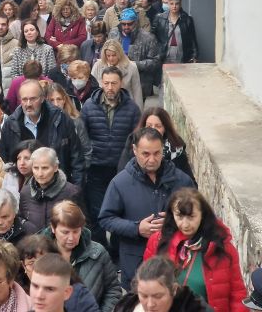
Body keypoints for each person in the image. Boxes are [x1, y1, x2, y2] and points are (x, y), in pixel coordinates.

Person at [99, 127, 195, 289]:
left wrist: (176, 222)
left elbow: (199, 216)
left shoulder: (182, 181)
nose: (151, 159)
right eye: (146, 154)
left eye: (157, 153)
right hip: (136, 266)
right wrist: (137, 228)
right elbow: (106, 219)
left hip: (176, 266)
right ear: (135, 150)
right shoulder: (119, 183)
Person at [143, 188, 246, 312]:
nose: (185, 224)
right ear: (172, 214)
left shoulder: (223, 248)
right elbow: (146, 283)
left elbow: (237, 294)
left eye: (191, 217)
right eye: (179, 217)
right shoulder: (158, 241)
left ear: (202, 215)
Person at [80, 65, 141, 245]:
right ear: (101, 83)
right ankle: (101, 251)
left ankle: (116, 251)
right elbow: (83, 137)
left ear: (121, 83)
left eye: (114, 83)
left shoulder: (132, 109)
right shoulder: (89, 107)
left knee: (120, 211)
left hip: (121, 169)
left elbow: (134, 140)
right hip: (96, 168)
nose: (110, 87)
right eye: (106, 83)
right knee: (97, 212)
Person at [0, 80, 85, 187]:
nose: (28, 104)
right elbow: (4, 159)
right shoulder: (10, 124)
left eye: (33, 99)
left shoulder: (60, 119)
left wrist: (76, 191)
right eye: (24, 99)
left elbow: (77, 159)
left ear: (43, 98)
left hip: (58, 188)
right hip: (23, 191)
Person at [43, 201, 121, 312]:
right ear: (53, 228)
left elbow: (113, 290)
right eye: (65, 232)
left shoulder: (98, 253)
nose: (71, 238)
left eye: (76, 231)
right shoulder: (40, 254)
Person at [117, 108, 194, 180]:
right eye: (149, 126)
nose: (153, 129)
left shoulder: (176, 149)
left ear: (165, 128)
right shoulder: (132, 145)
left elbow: (188, 182)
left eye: (158, 126)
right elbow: (121, 177)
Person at [19, 147, 82, 234]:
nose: (40, 174)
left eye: (45, 168)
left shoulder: (71, 192)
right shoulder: (25, 192)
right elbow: (20, 219)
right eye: (36, 168)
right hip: (33, 245)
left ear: (55, 167)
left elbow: (82, 225)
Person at [112, 256, 210, 312]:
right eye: (144, 296)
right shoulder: (124, 307)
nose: (150, 305)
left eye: (157, 296)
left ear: (174, 289)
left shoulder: (196, 308)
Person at [107, 9, 161, 99]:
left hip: (140, 83)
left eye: (130, 24)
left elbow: (155, 62)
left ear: (135, 22)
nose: (126, 27)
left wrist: (134, 64)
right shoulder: (113, 34)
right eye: (123, 24)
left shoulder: (148, 38)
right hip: (117, 82)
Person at [91, 40, 143, 106]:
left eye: (114, 55)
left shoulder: (132, 67)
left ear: (119, 54)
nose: (111, 58)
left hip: (126, 106)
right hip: (102, 106)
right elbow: (92, 90)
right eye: (108, 55)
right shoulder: (97, 65)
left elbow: (137, 92)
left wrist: (139, 114)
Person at [152, 0, 198, 64]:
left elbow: (192, 39)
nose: (174, 6)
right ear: (168, 4)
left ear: (180, 4)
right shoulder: (160, 18)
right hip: (164, 56)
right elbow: (153, 37)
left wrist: (194, 56)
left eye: (177, 4)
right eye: (171, 4)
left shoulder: (187, 19)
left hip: (182, 56)